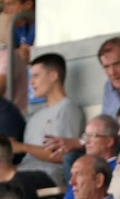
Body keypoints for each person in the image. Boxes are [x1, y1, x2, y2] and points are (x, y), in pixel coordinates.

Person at [18, 53, 85, 185]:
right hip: (22, 171)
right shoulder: (35, 117)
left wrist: (23, 147)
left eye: (36, 76)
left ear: (53, 76)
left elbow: (61, 155)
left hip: (48, 174)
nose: (31, 82)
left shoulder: (67, 108)